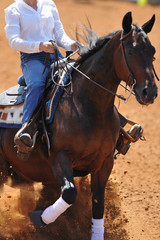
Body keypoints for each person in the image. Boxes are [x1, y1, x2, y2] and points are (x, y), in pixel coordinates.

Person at [4, 0, 78, 157]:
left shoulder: (49, 4)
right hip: (32, 58)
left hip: (55, 54)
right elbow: (14, 41)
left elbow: (59, 34)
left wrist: (70, 44)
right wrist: (39, 46)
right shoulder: (13, 10)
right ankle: (26, 130)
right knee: (37, 85)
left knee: (80, 77)